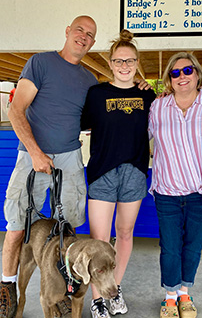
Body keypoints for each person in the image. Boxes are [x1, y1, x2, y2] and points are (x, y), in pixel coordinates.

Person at [0, 15, 98, 318]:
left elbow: (97, 118)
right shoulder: (40, 63)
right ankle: (7, 288)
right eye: (79, 29)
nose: (83, 36)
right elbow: (16, 110)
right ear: (68, 31)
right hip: (31, 155)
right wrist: (36, 153)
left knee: (67, 229)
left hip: (69, 156)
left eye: (90, 34)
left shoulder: (89, 80)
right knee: (16, 228)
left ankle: (63, 286)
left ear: (92, 43)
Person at [81, 29, 156, 318]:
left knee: (124, 233)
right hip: (102, 173)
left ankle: (115, 289)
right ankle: (98, 298)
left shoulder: (146, 96)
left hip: (135, 172)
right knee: (100, 240)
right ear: (110, 64)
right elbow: (81, 124)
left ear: (137, 63)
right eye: (118, 61)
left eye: (130, 61)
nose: (124, 66)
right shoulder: (96, 94)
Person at [148, 52, 202, 318]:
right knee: (169, 246)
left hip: (201, 192)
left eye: (187, 71)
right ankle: (169, 296)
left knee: (193, 246)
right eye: (175, 73)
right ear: (169, 78)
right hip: (167, 190)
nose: (182, 76)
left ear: (198, 74)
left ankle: (184, 293)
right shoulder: (158, 107)